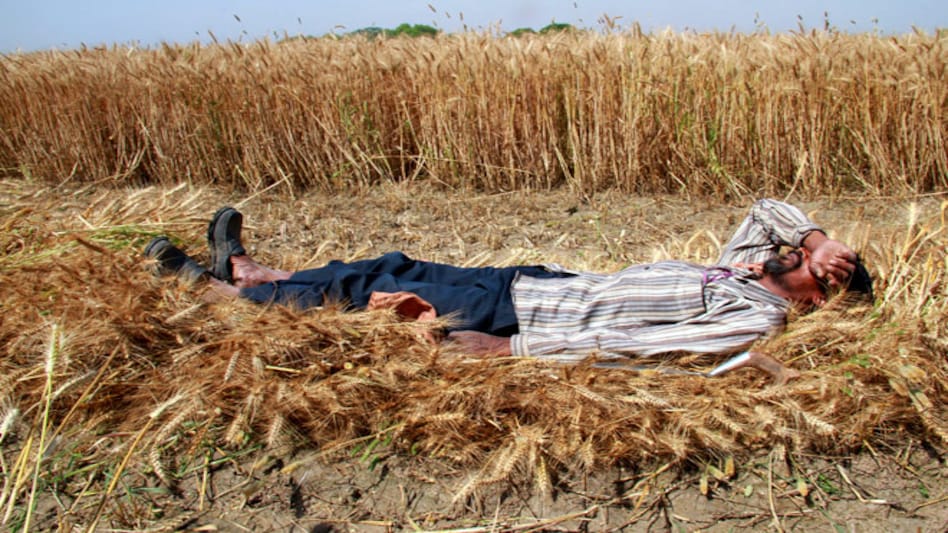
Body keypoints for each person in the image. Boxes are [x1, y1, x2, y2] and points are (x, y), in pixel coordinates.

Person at [145, 200, 872, 376]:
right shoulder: (746, 269)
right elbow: (764, 211)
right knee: (386, 262)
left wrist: (510, 349)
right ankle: (257, 275)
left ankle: (224, 296)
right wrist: (817, 240)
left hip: (522, 315)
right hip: (531, 281)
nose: (794, 255)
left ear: (818, 299)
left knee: (375, 294)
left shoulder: (755, 316)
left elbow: (637, 347)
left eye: (819, 270)